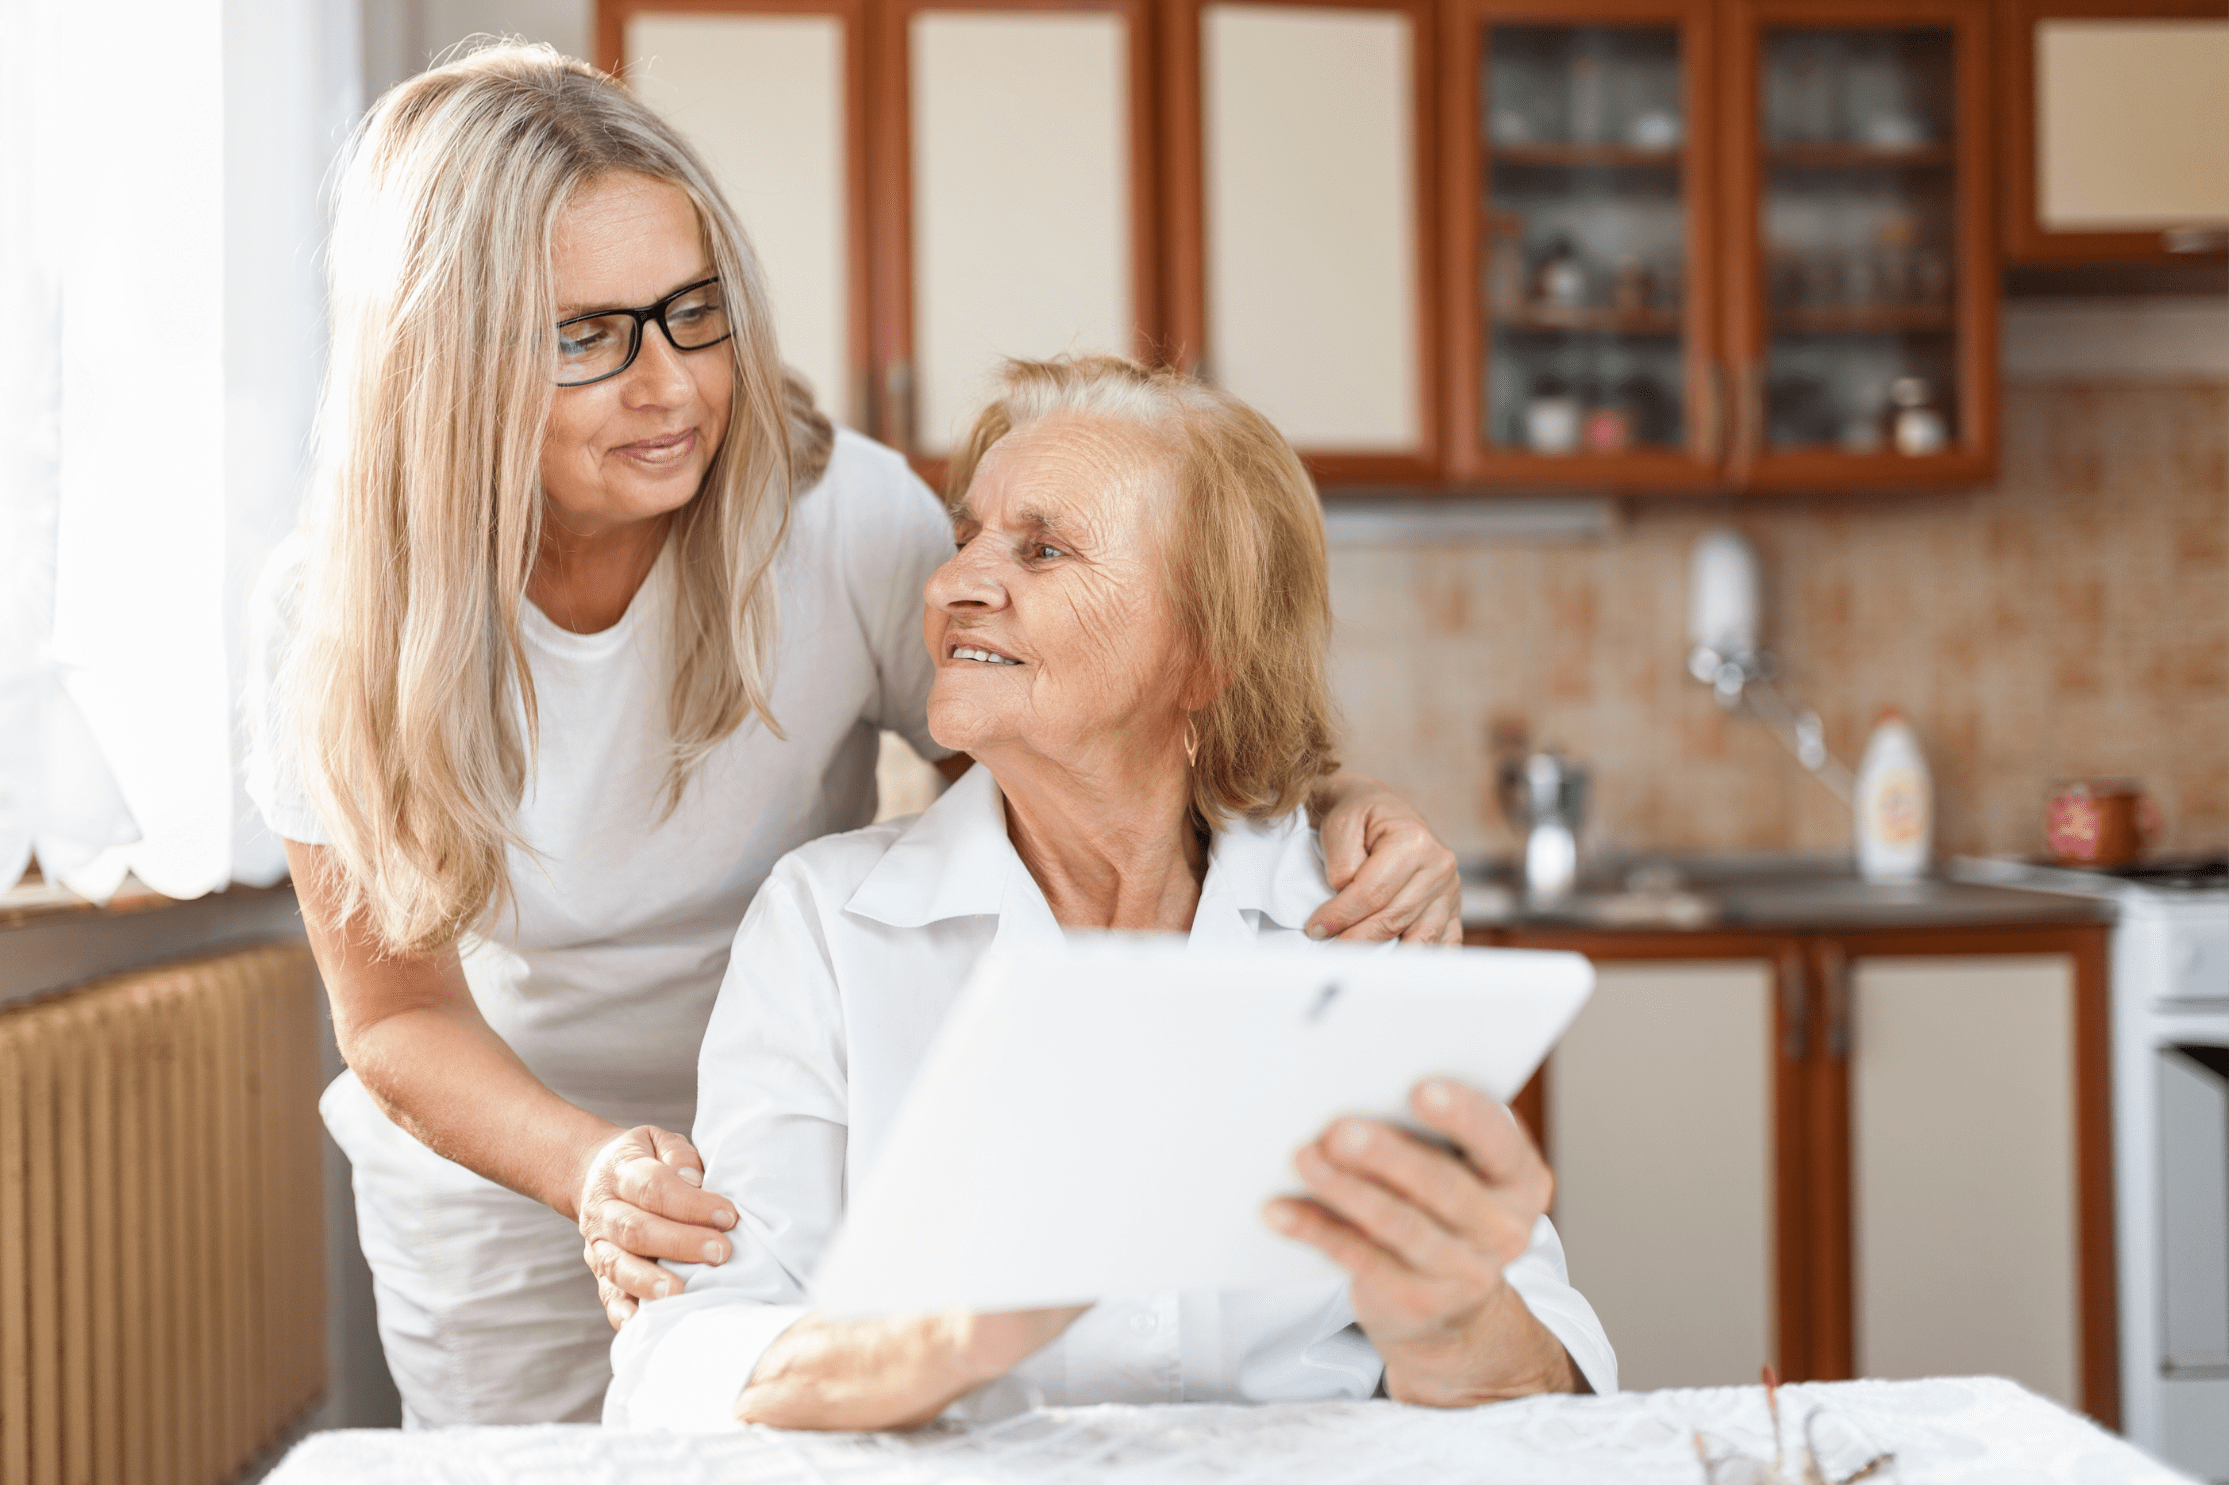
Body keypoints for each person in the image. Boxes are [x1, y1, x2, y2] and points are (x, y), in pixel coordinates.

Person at [245, 45, 1468, 1427]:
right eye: (586, 337)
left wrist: (1331, 803)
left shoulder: (839, 522)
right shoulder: (334, 615)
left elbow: (1073, 750)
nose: (671, 388)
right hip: (515, 1158)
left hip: (817, 1120)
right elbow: (397, 1012)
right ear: (444, 361)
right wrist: (594, 1172)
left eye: (694, 313)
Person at [604, 357, 1615, 1431]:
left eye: (1043, 549)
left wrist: (1451, 1328)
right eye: (966, 538)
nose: (952, 586)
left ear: (1208, 653)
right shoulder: (827, 925)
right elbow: (687, 1353)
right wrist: (941, 1342)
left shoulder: (1358, 919)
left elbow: (1544, 1378)